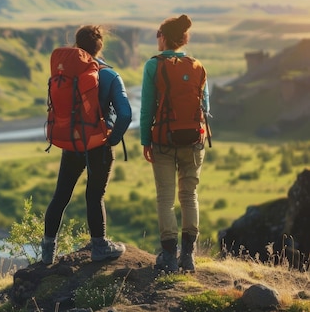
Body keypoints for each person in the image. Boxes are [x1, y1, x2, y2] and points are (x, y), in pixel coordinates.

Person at [42, 25, 133, 265]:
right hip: (98, 145)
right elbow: (125, 114)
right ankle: (100, 246)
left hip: (72, 141)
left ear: (76, 45)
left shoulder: (69, 72)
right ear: (100, 46)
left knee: (61, 195)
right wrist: (111, 139)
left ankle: (47, 252)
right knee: (94, 196)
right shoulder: (110, 75)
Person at [140, 14, 210, 272]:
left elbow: (147, 108)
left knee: (165, 198)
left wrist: (145, 140)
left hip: (163, 140)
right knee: (189, 195)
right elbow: (206, 106)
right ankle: (189, 256)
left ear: (163, 37)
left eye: (157, 35)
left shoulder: (153, 66)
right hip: (193, 140)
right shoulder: (198, 66)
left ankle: (169, 255)